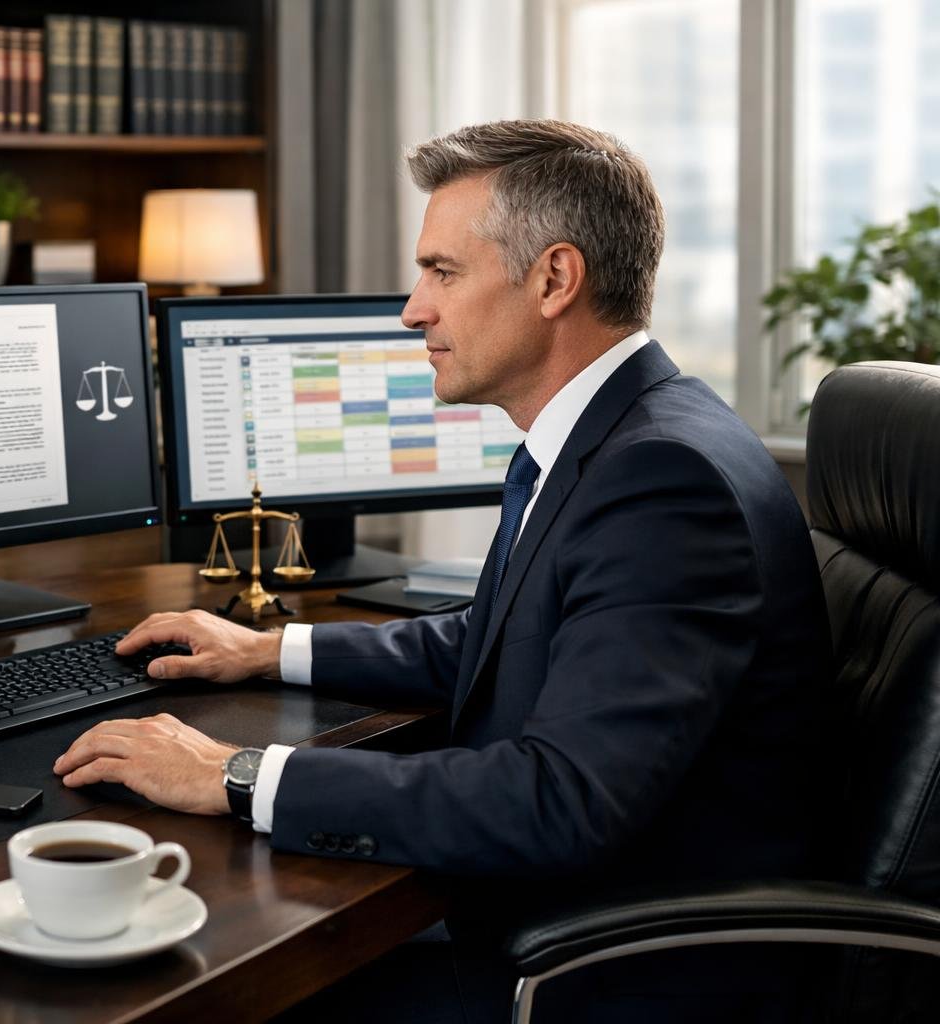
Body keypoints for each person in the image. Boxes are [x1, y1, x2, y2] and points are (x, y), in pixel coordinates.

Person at [53, 119, 832, 1022]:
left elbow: (559, 799)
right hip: (555, 918)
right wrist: (269, 651)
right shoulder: (620, 432)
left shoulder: (661, 481)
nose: (412, 309)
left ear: (554, 279)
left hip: (608, 972)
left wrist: (233, 771)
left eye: (442, 271)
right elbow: (502, 635)